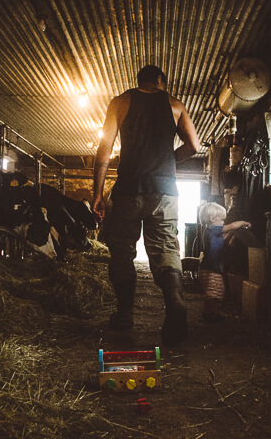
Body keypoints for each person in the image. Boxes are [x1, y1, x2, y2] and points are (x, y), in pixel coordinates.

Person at [92, 65, 201, 346]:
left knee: (122, 252)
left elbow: (104, 150)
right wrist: (167, 162)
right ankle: (175, 302)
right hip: (164, 192)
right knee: (166, 248)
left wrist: (97, 195)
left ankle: (125, 315)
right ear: (161, 82)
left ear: (138, 81)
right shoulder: (175, 105)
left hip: (128, 190)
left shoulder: (121, 101)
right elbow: (194, 146)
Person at [197, 202, 251, 321]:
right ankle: (211, 315)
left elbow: (223, 244)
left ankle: (210, 314)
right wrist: (243, 223)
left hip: (211, 268)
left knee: (215, 291)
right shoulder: (212, 229)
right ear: (212, 219)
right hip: (211, 269)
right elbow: (231, 226)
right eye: (221, 220)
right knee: (214, 293)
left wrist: (231, 233)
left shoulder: (211, 232)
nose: (223, 223)